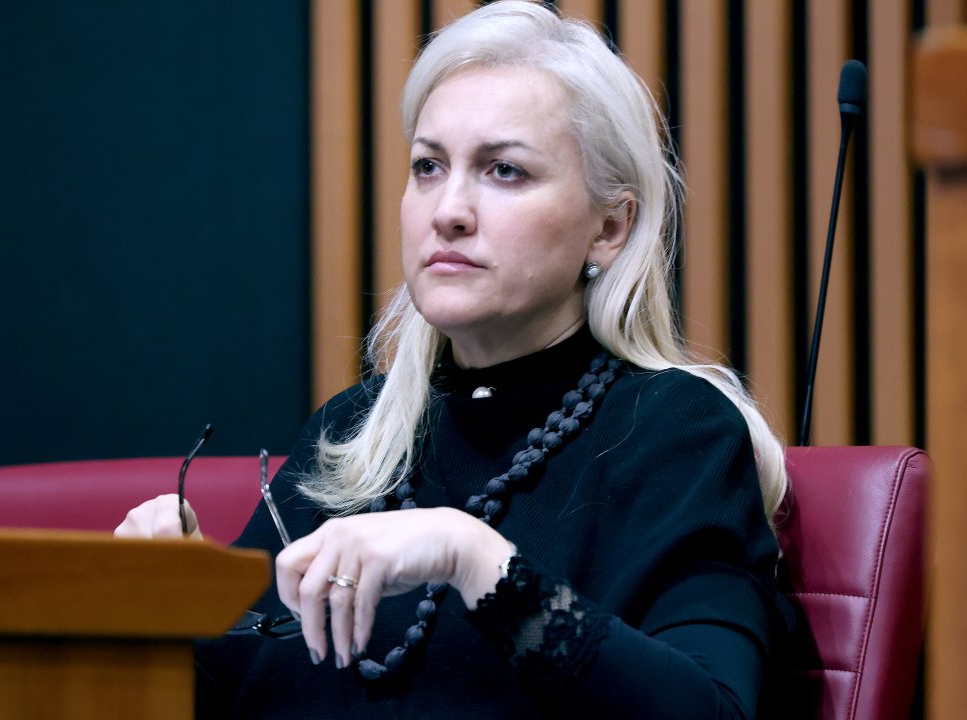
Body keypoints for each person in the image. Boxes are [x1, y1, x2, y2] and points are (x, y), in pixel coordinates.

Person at [117, 1, 793, 717]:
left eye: (504, 170)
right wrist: (168, 603)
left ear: (610, 227)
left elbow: (713, 708)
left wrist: (476, 560)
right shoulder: (357, 433)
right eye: (428, 167)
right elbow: (238, 693)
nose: (448, 210)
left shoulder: (676, 431)